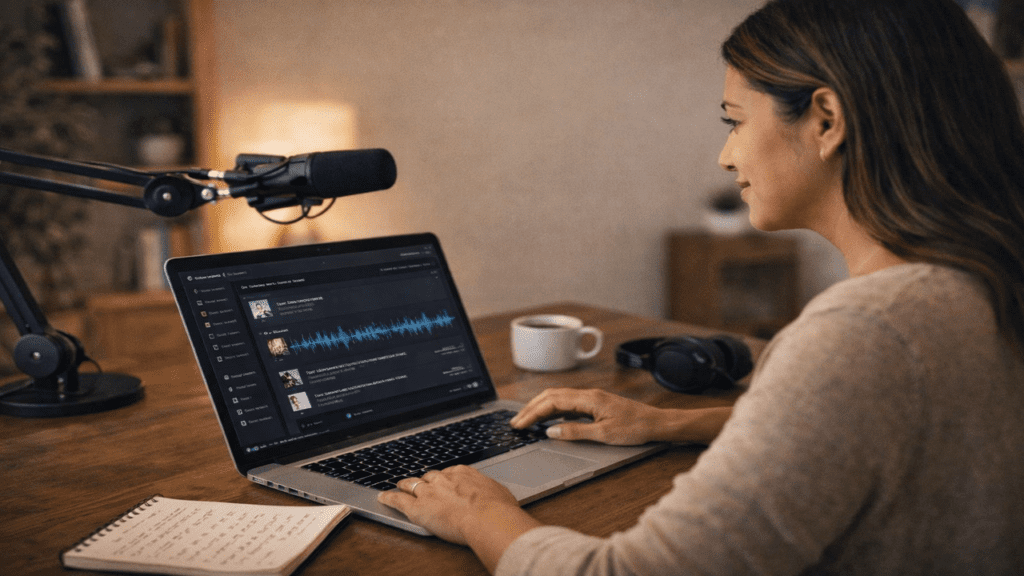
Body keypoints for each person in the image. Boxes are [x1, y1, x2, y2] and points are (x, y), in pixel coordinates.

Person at [378, 0, 1024, 573]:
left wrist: (479, 514)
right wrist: (671, 424)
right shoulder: (979, 277)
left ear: (826, 119)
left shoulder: (867, 330)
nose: (726, 157)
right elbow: (872, 424)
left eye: (734, 121)